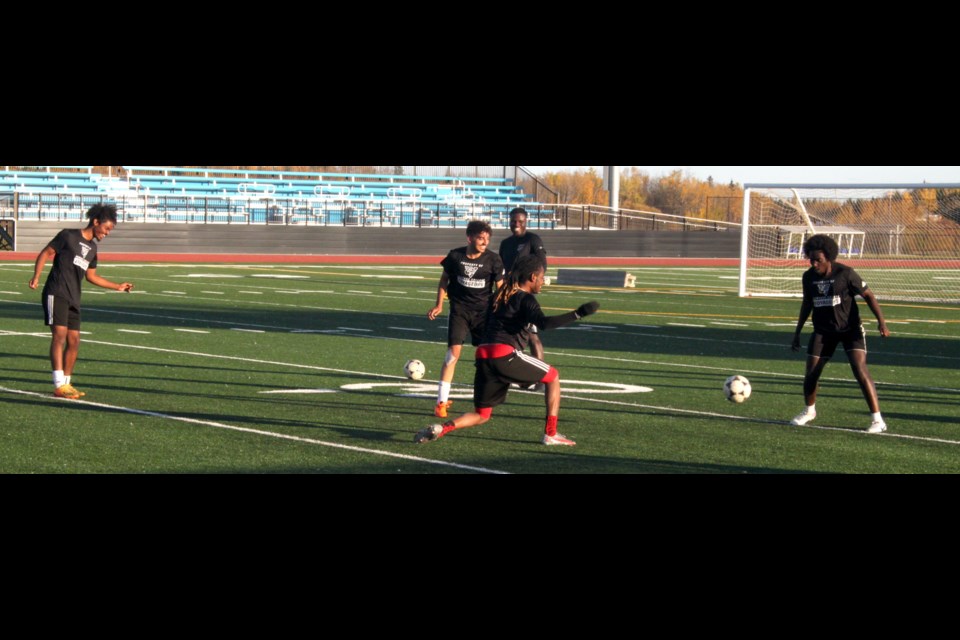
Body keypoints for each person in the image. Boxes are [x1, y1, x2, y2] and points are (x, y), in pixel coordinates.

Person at [415, 255, 598, 446]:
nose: (544, 281)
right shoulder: (525, 299)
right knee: (553, 376)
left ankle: (442, 428)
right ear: (533, 277)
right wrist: (578, 313)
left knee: (482, 414)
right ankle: (550, 434)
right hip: (502, 354)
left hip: (484, 355)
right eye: (542, 277)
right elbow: (544, 323)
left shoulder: (500, 295)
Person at [28, 204, 134, 399]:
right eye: (107, 228)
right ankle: (59, 384)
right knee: (59, 335)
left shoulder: (93, 249)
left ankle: (67, 384)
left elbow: (92, 276)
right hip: (56, 292)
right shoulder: (67, 236)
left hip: (73, 297)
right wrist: (36, 276)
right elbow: (45, 253)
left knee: (74, 340)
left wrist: (117, 286)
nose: (107, 233)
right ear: (96, 222)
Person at [790, 234, 890, 433]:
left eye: (817, 260)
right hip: (823, 331)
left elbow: (868, 295)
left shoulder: (846, 273)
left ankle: (878, 420)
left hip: (849, 330)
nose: (814, 263)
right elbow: (807, 304)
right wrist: (797, 332)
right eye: (810, 259)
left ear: (829, 257)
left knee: (859, 369)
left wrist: (882, 322)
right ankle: (809, 411)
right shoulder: (808, 277)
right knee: (811, 373)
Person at [427, 220, 504, 419]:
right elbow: (444, 280)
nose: (484, 242)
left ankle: (484, 400)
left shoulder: (493, 260)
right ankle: (441, 402)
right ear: (469, 237)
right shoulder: (455, 256)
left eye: (487, 238)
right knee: (453, 354)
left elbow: (501, 288)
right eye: (480, 238)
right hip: (460, 311)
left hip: (483, 314)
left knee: (485, 358)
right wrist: (439, 304)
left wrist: (501, 308)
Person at [499, 207, 547, 362]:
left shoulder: (532, 240)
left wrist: (534, 282)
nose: (516, 224)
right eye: (513, 221)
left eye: (520, 221)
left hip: (524, 295)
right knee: (505, 333)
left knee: (532, 335)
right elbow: (500, 268)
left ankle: (540, 378)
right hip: (508, 295)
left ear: (526, 222)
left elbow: (542, 265)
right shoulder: (505, 243)